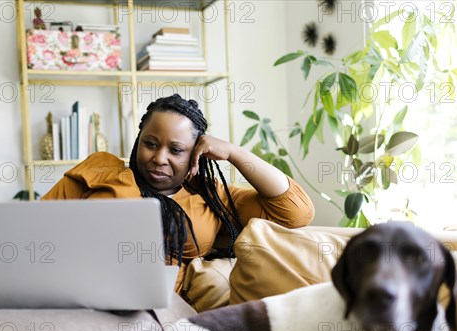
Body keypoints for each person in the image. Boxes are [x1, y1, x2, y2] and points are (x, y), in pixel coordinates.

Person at [42, 94, 315, 293]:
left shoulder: (209, 195)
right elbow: (39, 226)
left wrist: (234, 153)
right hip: (74, 289)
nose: (159, 158)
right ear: (139, 141)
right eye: (150, 143)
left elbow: (295, 213)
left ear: (197, 153)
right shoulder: (101, 170)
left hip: (155, 310)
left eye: (176, 150)